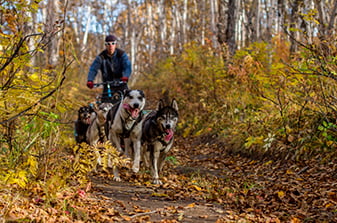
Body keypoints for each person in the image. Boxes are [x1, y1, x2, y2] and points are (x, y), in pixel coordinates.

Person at [86, 34, 131, 101]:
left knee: (127, 102)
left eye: (113, 43)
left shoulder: (121, 54)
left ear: (116, 44)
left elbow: (127, 66)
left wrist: (125, 76)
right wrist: (90, 80)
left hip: (121, 83)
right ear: (105, 45)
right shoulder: (101, 57)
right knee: (104, 104)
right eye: (108, 44)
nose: (111, 46)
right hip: (108, 84)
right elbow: (93, 69)